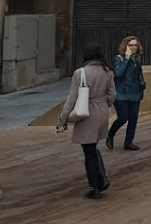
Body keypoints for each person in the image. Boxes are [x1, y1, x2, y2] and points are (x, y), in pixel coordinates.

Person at [57, 44, 117, 199]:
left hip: (86, 113)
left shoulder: (80, 73)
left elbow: (72, 99)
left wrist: (63, 119)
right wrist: (105, 104)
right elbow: (112, 95)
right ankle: (101, 179)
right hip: (102, 111)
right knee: (92, 147)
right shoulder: (107, 71)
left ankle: (95, 186)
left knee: (88, 152)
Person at [107, 36, 147, 151]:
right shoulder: (118, 58)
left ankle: (128, 142)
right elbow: (119, 73)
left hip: (135, 93)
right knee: (123, 118)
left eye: (135, 45)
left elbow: (139, 73)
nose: (134, 47)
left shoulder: (137, 59)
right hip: (121, 93)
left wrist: (142, 83)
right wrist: (127, 58)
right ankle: (111, 134)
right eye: (131, 45)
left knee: (133, 118)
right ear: (125, 46)